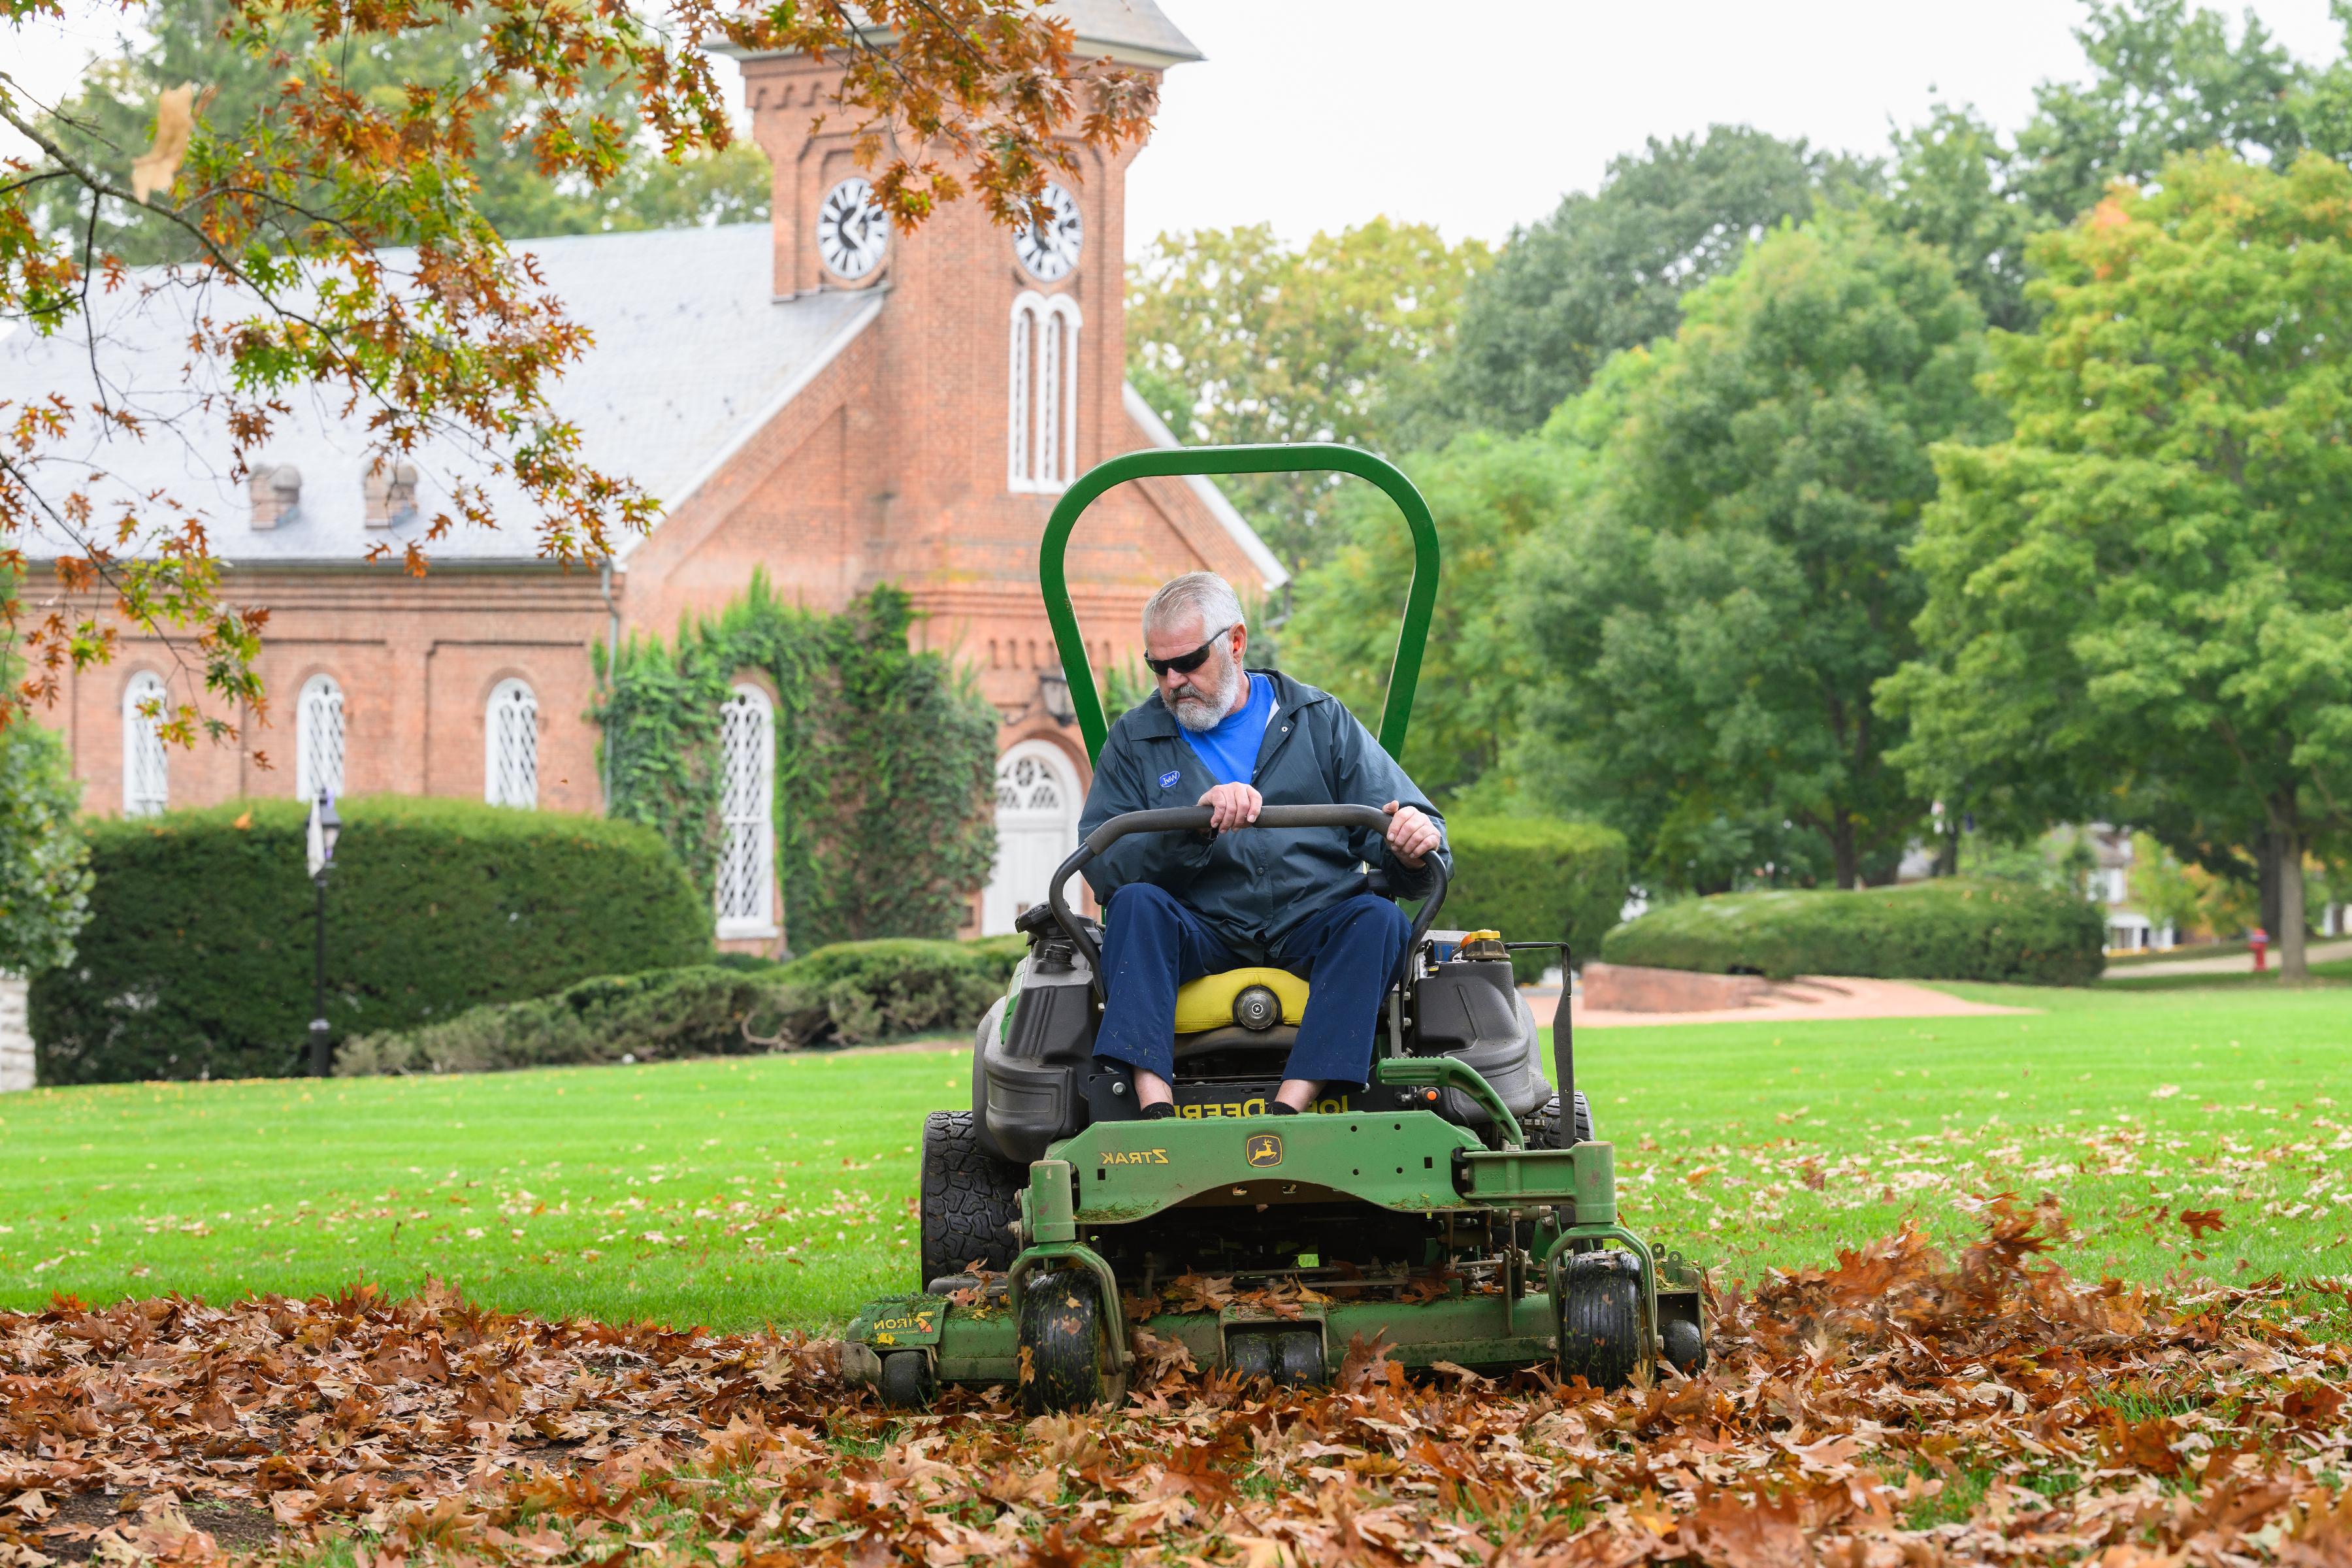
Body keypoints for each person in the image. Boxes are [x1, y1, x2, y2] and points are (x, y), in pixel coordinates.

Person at [1077, 571, 1448, 1117]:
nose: (1174, 680)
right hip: (1201, 927)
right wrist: (1192, 826)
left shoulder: (1318, 721)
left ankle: (1293, 1103)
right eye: (1160, 667)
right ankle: (1152, 1103)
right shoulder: (1135, 740)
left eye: (1189, 661)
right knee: (1134, 904)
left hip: (1311, 919)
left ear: (1236, 642)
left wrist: (1414, 843)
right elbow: (1105, 865)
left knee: (1378, 920)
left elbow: (1411, 835)